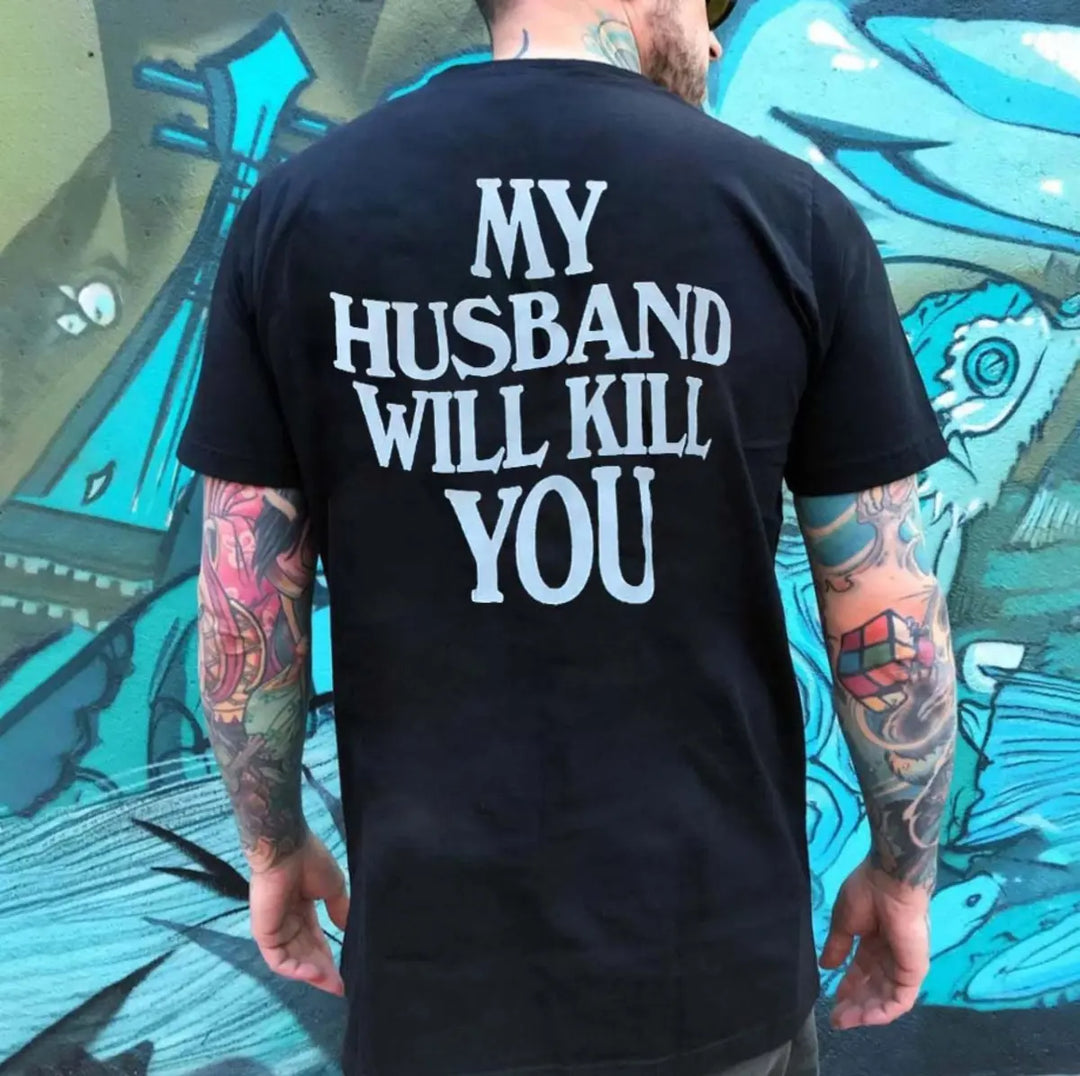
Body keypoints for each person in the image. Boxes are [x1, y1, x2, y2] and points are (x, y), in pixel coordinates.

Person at [177, 0, 958, 1073]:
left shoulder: (295, 214)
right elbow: (886, 603)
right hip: (712, 959)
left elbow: (243, 597)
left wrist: (272, 848)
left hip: (434, 969)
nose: (714, 39)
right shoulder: (793, 215)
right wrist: (905, 870)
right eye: (707, 8)